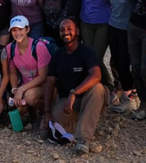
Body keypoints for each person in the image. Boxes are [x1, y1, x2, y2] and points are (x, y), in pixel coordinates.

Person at [43, 18, 108, 155]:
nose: (65, 32)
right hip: (67, 102)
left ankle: (83, 139)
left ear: (77, 31)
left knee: (98, 88)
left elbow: (96, 75)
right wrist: (47, 112)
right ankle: (80, 122)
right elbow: (49, 83)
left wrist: (74, 93)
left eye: (69, 29)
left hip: (88, 98)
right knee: (45, 130)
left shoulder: (86, 51)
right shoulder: (57, 55)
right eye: (62, 30)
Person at [74, 0, 113, 89]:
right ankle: (95, 85)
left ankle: (109, 85)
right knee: (88, 56)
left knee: (96, 56)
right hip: (85, 21)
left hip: (104, 22)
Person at [106, 0, 136, 114]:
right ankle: (123, 93)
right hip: (113, 27)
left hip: (126, 29)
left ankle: (130, 97)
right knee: (116, 61)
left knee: (125, 63)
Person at [6, 16, 51, 116]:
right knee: (18, 109)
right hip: (26, 87)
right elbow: (12, 72)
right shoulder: (10, 48)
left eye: (20, 29)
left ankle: (47, 112)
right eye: (14, 30)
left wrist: (21, 89)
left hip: (44, 86)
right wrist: (14, 89)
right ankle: (33, 111)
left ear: (27, 29)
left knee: (29, 97)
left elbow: (42, 76)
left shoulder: (39, 47)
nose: (17, 33)